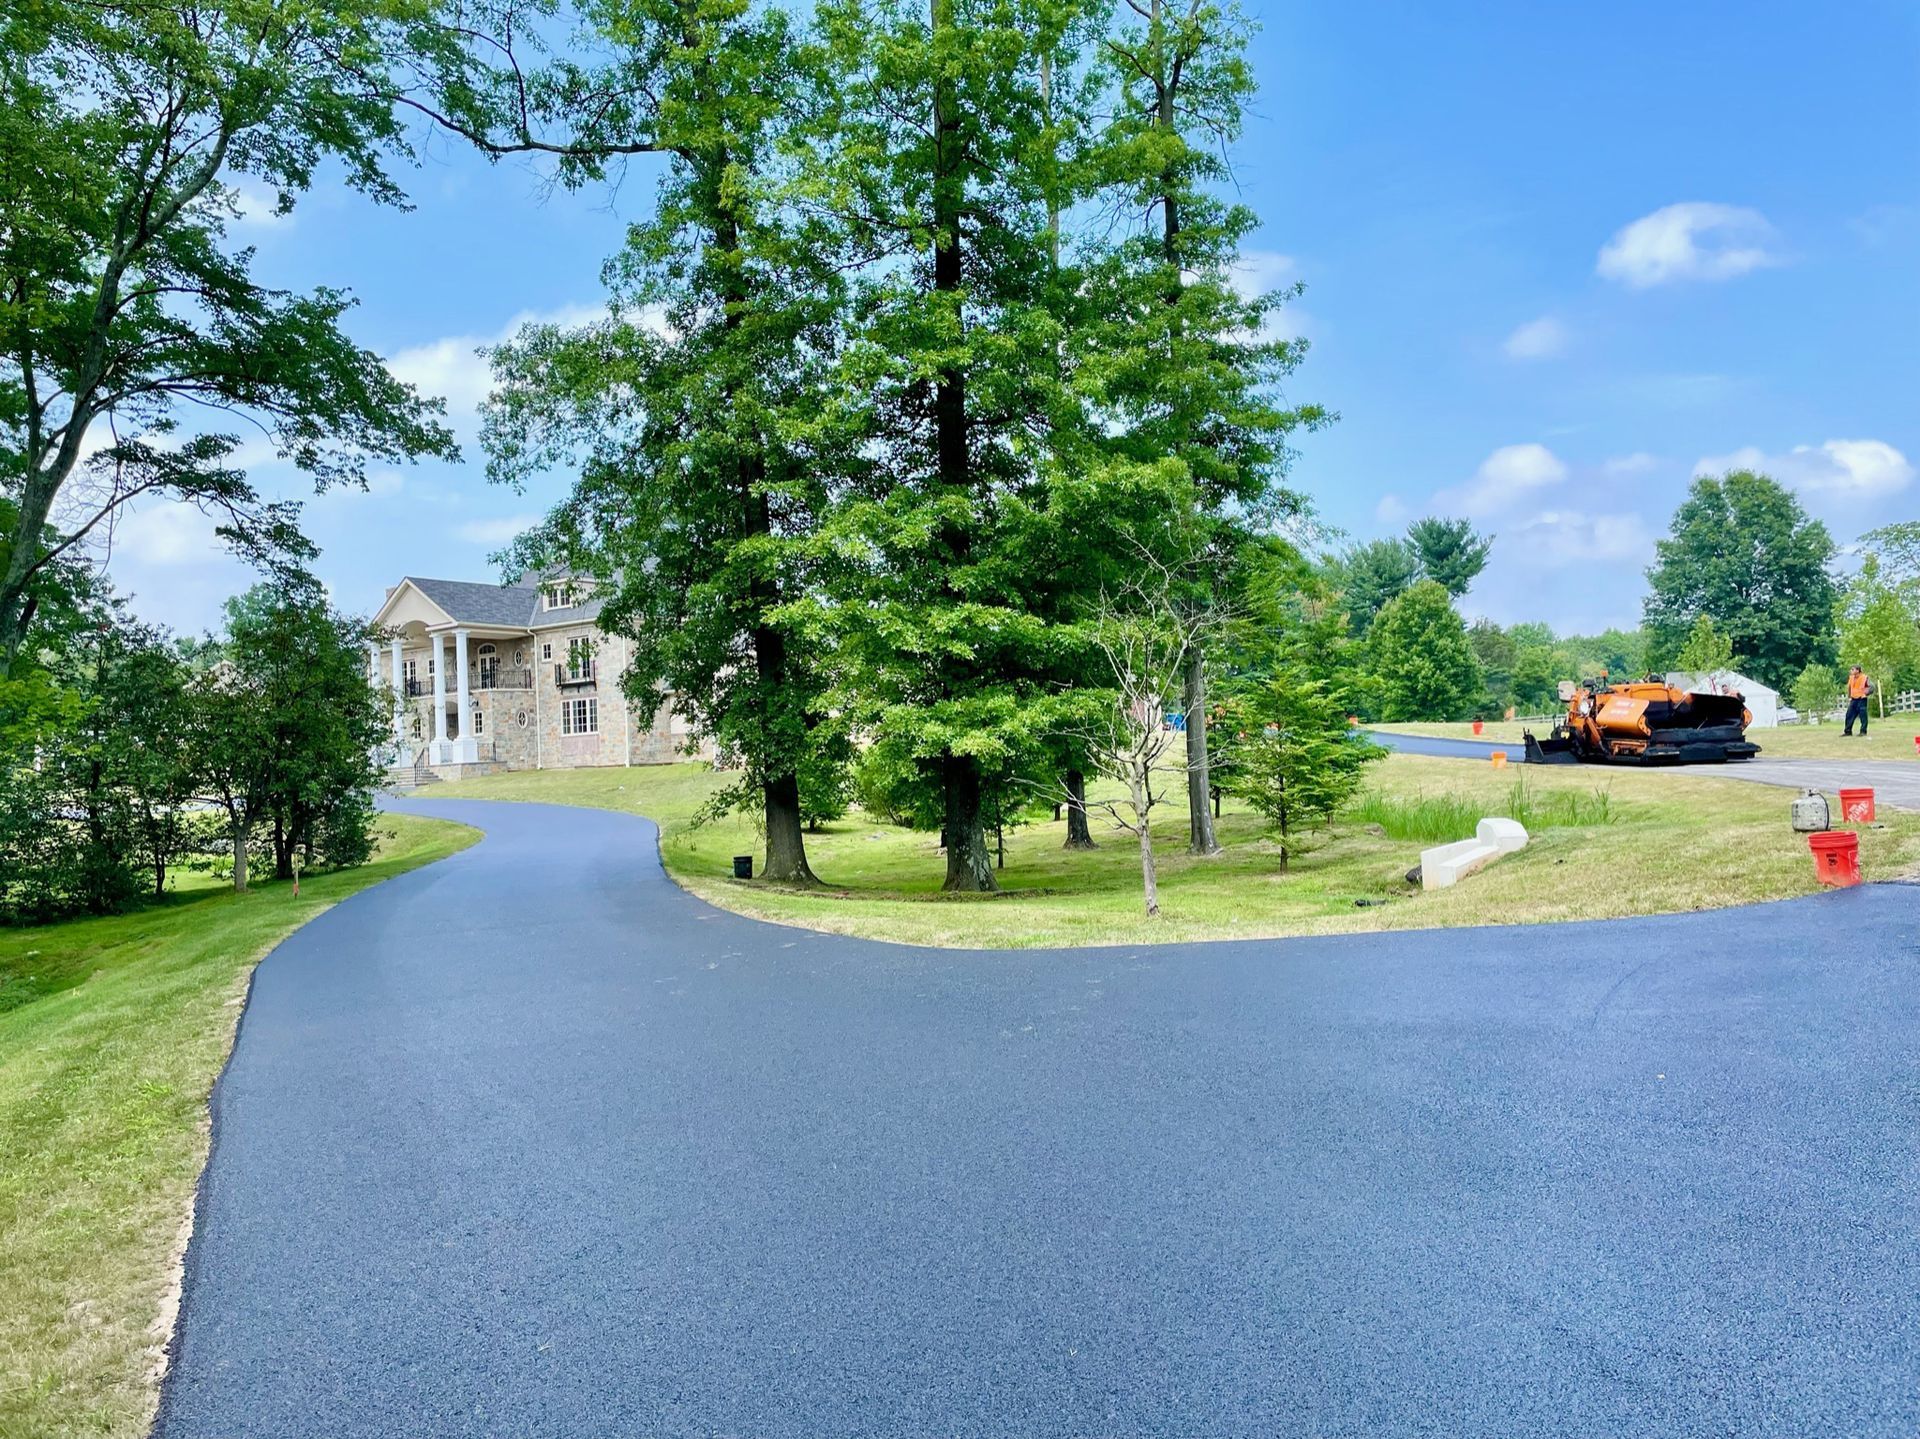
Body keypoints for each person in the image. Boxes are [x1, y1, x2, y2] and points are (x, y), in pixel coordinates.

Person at [1844, 664, 1872, 736]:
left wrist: (1866, 693)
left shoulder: (1864, 677)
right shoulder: (1851, 678)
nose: (1851, 671)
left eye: (1853, 669)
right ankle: (1848, 731)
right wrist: (1849, 696)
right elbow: (1849, 687)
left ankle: (1863, 732)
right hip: (1853, 699)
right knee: (1849, 715)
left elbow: (1872, 687)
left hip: (1861, 699)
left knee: (1863, 716)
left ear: (1857, 670)